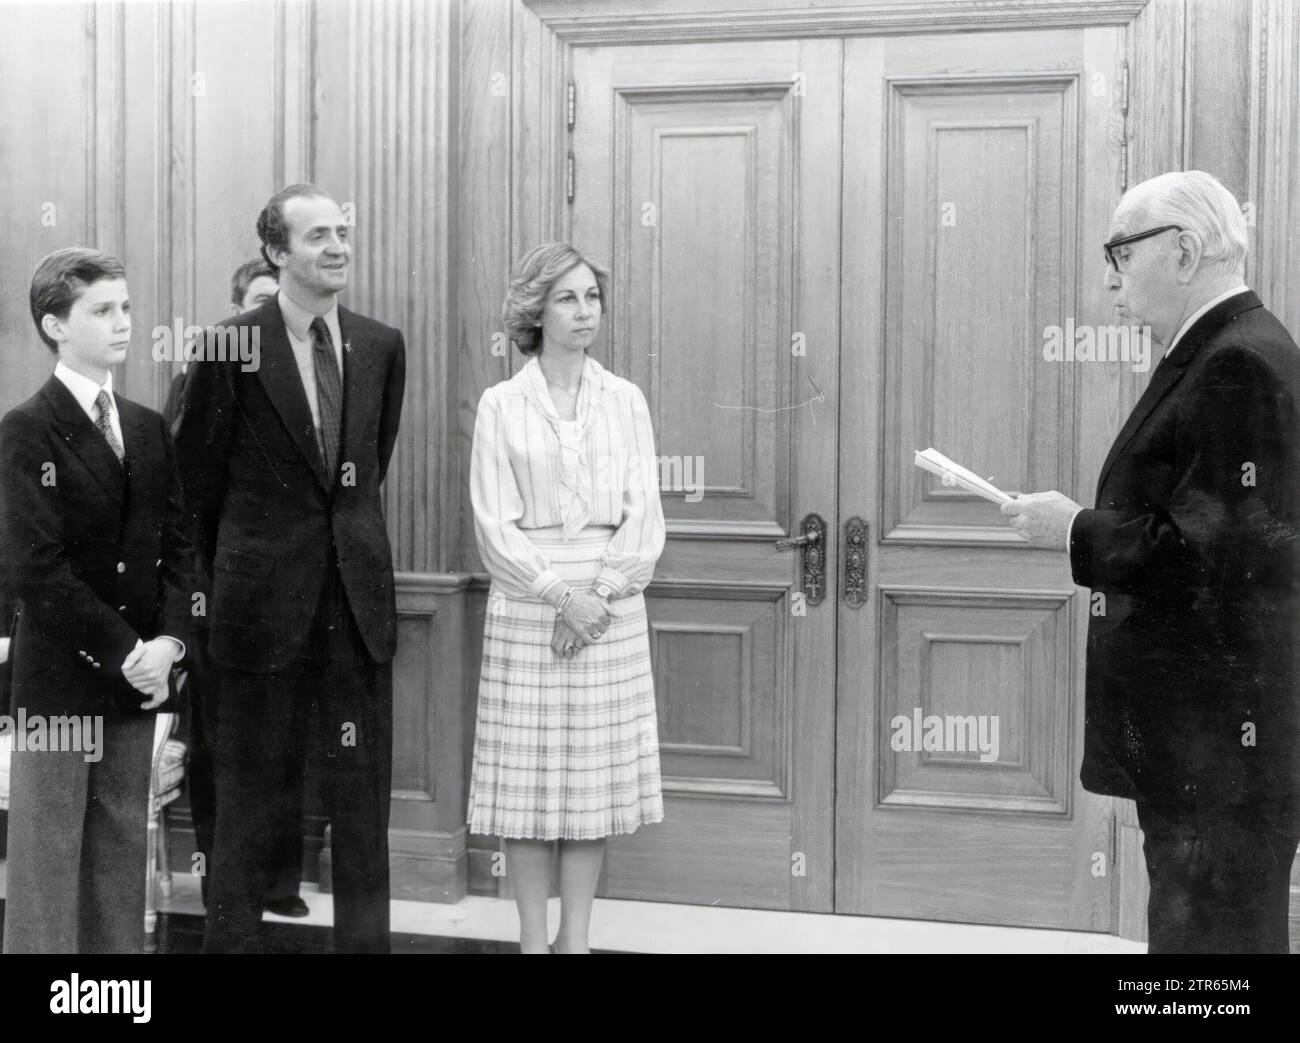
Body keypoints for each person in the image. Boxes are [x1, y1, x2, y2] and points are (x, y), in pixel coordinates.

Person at [1002, 170, 1300, 953]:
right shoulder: (1226, 349)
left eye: (1120, 255)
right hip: (1217, 740)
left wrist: (1075, 530)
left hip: (1220, 742)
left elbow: (1218, 557)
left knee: (1209, 947)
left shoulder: (1238, 362)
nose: (1109, 280)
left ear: (1185, 249)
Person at [176, 184, 406, 953]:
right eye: (317, 235)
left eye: (343, 230)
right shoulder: (226, 347)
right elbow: (192, 492)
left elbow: (361, 475)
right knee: (246, 807)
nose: (338, 245)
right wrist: (203, 606)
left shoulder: (380, 345)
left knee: (362, 809)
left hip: (357, 613)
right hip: (254, 618)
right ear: (277, 252)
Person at [469, 242, 666, 954]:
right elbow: (494, 523)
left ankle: (573, 941)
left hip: (610, 601)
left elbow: (644, 514)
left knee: (589, 792)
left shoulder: (626, 399)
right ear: (534, 310)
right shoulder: (501, 404)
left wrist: (599, 596)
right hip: (529, 601)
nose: (585, 312)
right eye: (568, 298)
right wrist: (560, 596)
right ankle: (530, 940)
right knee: (527, 791)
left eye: (593, 298)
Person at [0, 247, 191, 952]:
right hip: (60, 677)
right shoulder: (27, 428)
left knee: (117, 858)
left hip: (138, 680)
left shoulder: (144, 426)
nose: (123, 323)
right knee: (48, 863)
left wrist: (169, 644)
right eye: (102, 310)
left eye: (126, 307)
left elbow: (180, 546)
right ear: (55, 325)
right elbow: (36, 569)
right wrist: (129, 651)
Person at [163, 257, 308, 918]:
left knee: (284, 746)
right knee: (222, 747)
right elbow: (183, 496)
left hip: (295, 599)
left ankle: (279, 882)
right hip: (219, 595)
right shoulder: (203, 374)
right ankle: (227, 879)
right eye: (257, 303)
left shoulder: (313, 391)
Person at [163, 258, 278, 429]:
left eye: (281, 300)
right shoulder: (209, 368)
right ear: (237, 311)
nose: (276, 309)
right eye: (263, 300)